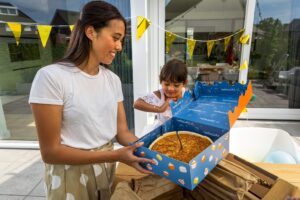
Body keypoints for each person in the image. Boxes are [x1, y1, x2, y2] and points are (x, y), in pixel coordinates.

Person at [29, 1, 153, 199]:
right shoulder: (51, 77)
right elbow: (50, 152)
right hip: (71, 174)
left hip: (106, 170)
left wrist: (152, 150)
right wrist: (115, 155)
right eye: (115, 38)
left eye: (121, 40)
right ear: (91, 32)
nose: (119, 46)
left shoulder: (112, 79)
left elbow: (122, 133)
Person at [133, 59, 188, 136]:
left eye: (176, 85)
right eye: (167, 84)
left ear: (185, 83)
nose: (170, 89)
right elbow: (137, 103)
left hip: (183, 133)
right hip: (163, 133)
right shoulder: (159, 95)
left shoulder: (187, 95)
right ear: (160, 81)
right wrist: (161, 108)